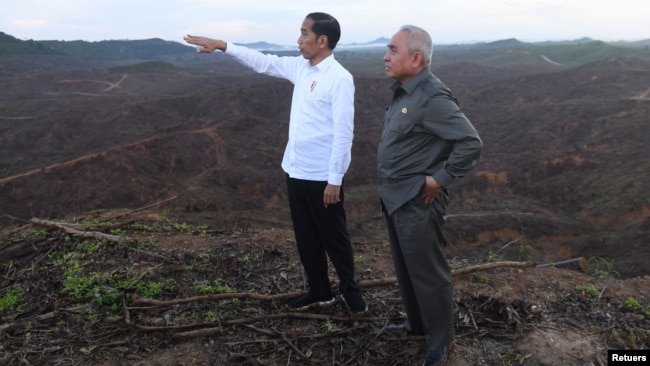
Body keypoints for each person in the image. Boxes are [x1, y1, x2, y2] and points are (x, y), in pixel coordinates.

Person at [183, 12, 367, 315]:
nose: (299, 40)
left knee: (334, 237)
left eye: (304, 34)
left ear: (322, 40)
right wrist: (223, 45)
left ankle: (351, 291)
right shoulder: (301, 68)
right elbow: (263, 61)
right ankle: (320, 291)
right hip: (295, 169)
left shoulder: (339, 78)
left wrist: (335, 178)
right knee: (306, 236)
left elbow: (344, 133)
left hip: (322, 176)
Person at [377, 25, 482, 365]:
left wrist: (439, 179)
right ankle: (418, 325)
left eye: (393, 50)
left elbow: (470, 142)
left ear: (416, 57)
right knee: (406, 268)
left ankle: (440, 341)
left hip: (418, 202)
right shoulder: (406, 92)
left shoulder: (433, 97)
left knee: (428, 272)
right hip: (396, 198)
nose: (386, 56)